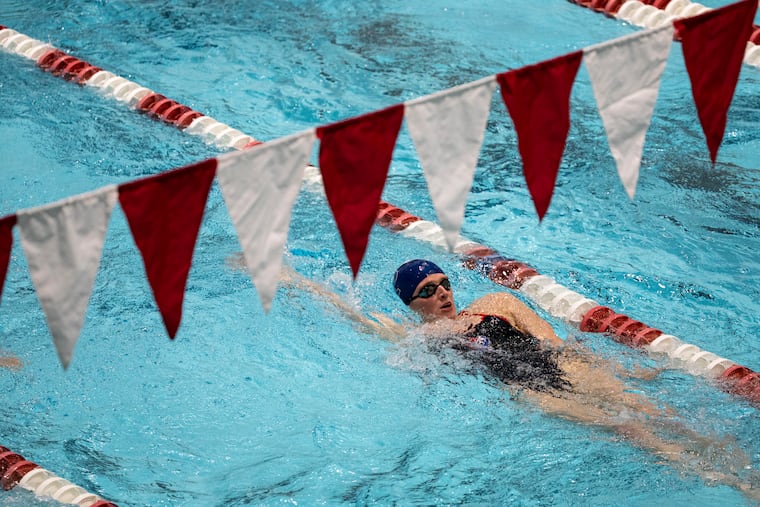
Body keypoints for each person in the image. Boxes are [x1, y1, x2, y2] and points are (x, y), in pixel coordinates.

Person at [390, 259, 759, 499]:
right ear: (411, 303)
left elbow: (551, 340)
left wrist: (617, 369)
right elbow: (365, 323)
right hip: (529, 392)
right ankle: (735, 486)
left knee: (664, 415)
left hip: (565, 369)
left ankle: (747, 470)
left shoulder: (496, 303)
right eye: (427, 290)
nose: (442, 293)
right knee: (628, 429)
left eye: (445, 283)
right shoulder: (423, 339)